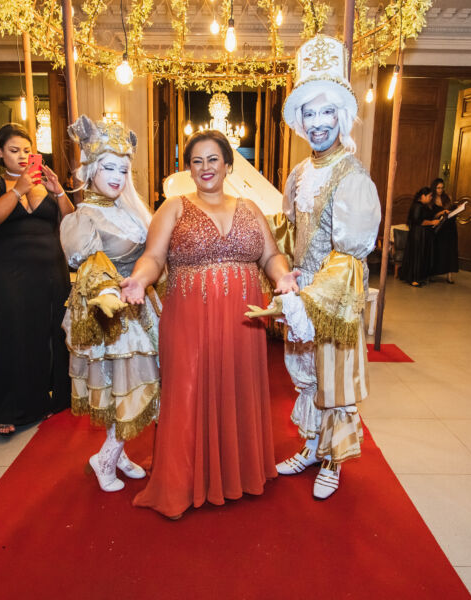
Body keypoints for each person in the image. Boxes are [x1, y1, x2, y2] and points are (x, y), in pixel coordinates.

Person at [122, 129, 298, 519]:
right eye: (197, 161)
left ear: (228, 165)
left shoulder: (250, 208)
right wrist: (138, 280)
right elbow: (153, 257)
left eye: (213, 159)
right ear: (189, 168)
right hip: (188, 319)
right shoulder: (174, 207)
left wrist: (283, 276)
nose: (205, 167)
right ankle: (184, 480)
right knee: (188, 392)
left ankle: (236, 473)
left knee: (237, 387)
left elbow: (270, 256)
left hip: (242, 321)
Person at [251, 35, 382, 500]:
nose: (318, 123)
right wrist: (251, 230)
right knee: (304, 374)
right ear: (300, 121)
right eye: (310, 113)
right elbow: (288, 233)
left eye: (327, 112)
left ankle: (332, 460)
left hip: (333, 295)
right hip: (300, 289)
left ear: (341, 117)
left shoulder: (354, 176)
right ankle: (311, 446)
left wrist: (311, 302)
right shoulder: (299, 173)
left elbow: (351, 254)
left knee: (333, 380)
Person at [59, 115, 159, 492]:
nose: (117, 177)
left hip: (142, 306)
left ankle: (117, 454)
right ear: (91, 168)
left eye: (123, 169)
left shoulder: (129, 209)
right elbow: (92, 266)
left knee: (135, 385)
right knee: (130, 386)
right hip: (111, 314)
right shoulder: (84, 217)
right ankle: (105, 458)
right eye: (109, 167)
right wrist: (107, 295)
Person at [0, 123, 74, 436]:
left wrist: (59, 191)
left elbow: (72, 221)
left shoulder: (45, 184)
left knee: (54, 334)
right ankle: (12, 408)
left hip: (51, 270)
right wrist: (18, 190)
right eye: (14, 150)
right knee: (15, 337)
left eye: (27, 150)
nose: (21, 156)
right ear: (0, 153)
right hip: (11, 273)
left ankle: (58, 400)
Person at [399, 187, 439, 287]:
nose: (431, 198)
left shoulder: (423, 206)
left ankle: (419, 277)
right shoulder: (417, 206)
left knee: (420, 256)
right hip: (417, 235)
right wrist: (432, 222)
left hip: (421, 234)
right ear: (423, 196)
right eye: (429, 196)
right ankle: (413, 279)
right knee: (416, 256)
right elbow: (418, 221)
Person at [429, 177, 459, 284]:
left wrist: (457, 208)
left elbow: (452, 210)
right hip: (439, 227)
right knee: (437, 250)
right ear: (434, 188)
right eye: (438, 188)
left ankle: (449, 275)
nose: (440, 190)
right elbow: (431, 215)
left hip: (450, 227)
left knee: (450, 250)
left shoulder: (447, 197)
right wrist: (441, 212)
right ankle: (432, 273)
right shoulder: (431, 199)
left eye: (442, 188)